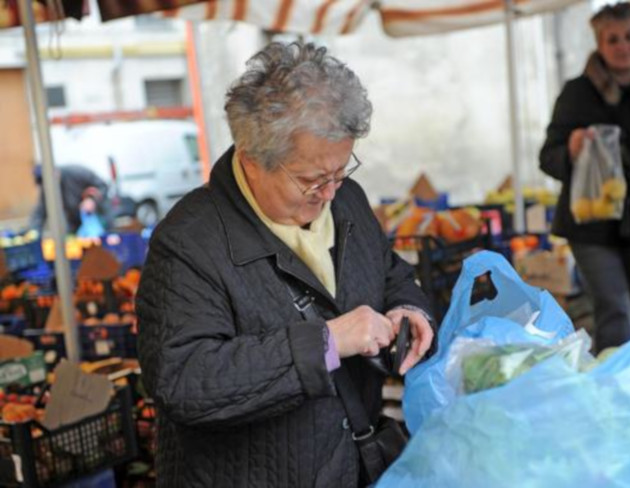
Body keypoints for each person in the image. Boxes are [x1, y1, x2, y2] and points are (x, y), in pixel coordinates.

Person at [136, 42, 435, 487]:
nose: (331, 191)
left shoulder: (346, 201)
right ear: (252, 159)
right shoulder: (188, 242)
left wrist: (409, 309)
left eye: (341, 170)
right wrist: (328, 342)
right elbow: (185, 380)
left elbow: (389, 272)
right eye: (313, 179)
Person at [539, 2, 630, 352]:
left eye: (629, 37)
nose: (623, 46)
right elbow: (547, 157)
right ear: (599, 44)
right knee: (616, 310)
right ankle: (614, 391)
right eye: (613, 39)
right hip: (592, 225)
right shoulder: (577, 93)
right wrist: (571, 149)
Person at [29, 163, 109, 235]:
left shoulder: (77, 172)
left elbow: (103, 186)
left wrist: (92, 200)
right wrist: (34, 232)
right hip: (76, 225)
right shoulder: (48, 188)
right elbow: (40, 212)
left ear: (55, 172)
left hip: (99, 219)